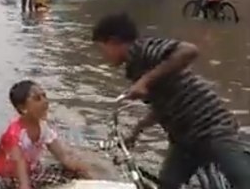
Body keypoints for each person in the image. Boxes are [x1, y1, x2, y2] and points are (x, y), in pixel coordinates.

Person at [91, 13, 250, 189]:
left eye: (101, 49)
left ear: (113, 42)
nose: (103, 56)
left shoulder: (144, 49)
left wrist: (145, 81)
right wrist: (136, 131)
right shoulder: (134, 67)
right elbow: (161, 106)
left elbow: (189, 50)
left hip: (212, 127)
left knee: (243, 181)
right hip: (184, 137)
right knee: (167, 184)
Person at [0, 80, 93, 189]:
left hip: (31, 173)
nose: (45, 101)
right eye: (37, 98)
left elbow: (64, 157)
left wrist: (86, 172)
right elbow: (21, 175)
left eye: (44, 96)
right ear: (23, 108)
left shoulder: (43, 128)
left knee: (72, 171)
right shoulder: (14, 135)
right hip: (6, 178)